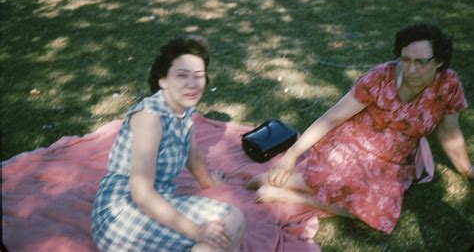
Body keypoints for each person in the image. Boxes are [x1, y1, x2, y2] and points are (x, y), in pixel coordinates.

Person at [247, 23, 473, 234]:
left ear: (439, 61)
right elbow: (331, 118)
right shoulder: (380, 78)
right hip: (352, 144)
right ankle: (286, 181)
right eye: (405, 60)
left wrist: (467, 170)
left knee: (379, 214)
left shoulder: (448, 85)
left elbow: (449, 133)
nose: (412, 69)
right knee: (337, 182)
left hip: (393, 161)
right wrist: (290, 156)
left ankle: (294, 195)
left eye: (421, 62)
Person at [91, 35, 245, 251]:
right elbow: (142, 194)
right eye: (182, 76)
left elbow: (193, 155)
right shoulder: (150, 118)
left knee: (228, 227)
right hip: (122, 213)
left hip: (155, 202)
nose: (192, 84)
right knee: (220, 233)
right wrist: (196, 230)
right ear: (163, 80)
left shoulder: (182, 107)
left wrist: (210, 184)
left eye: (198, 76)